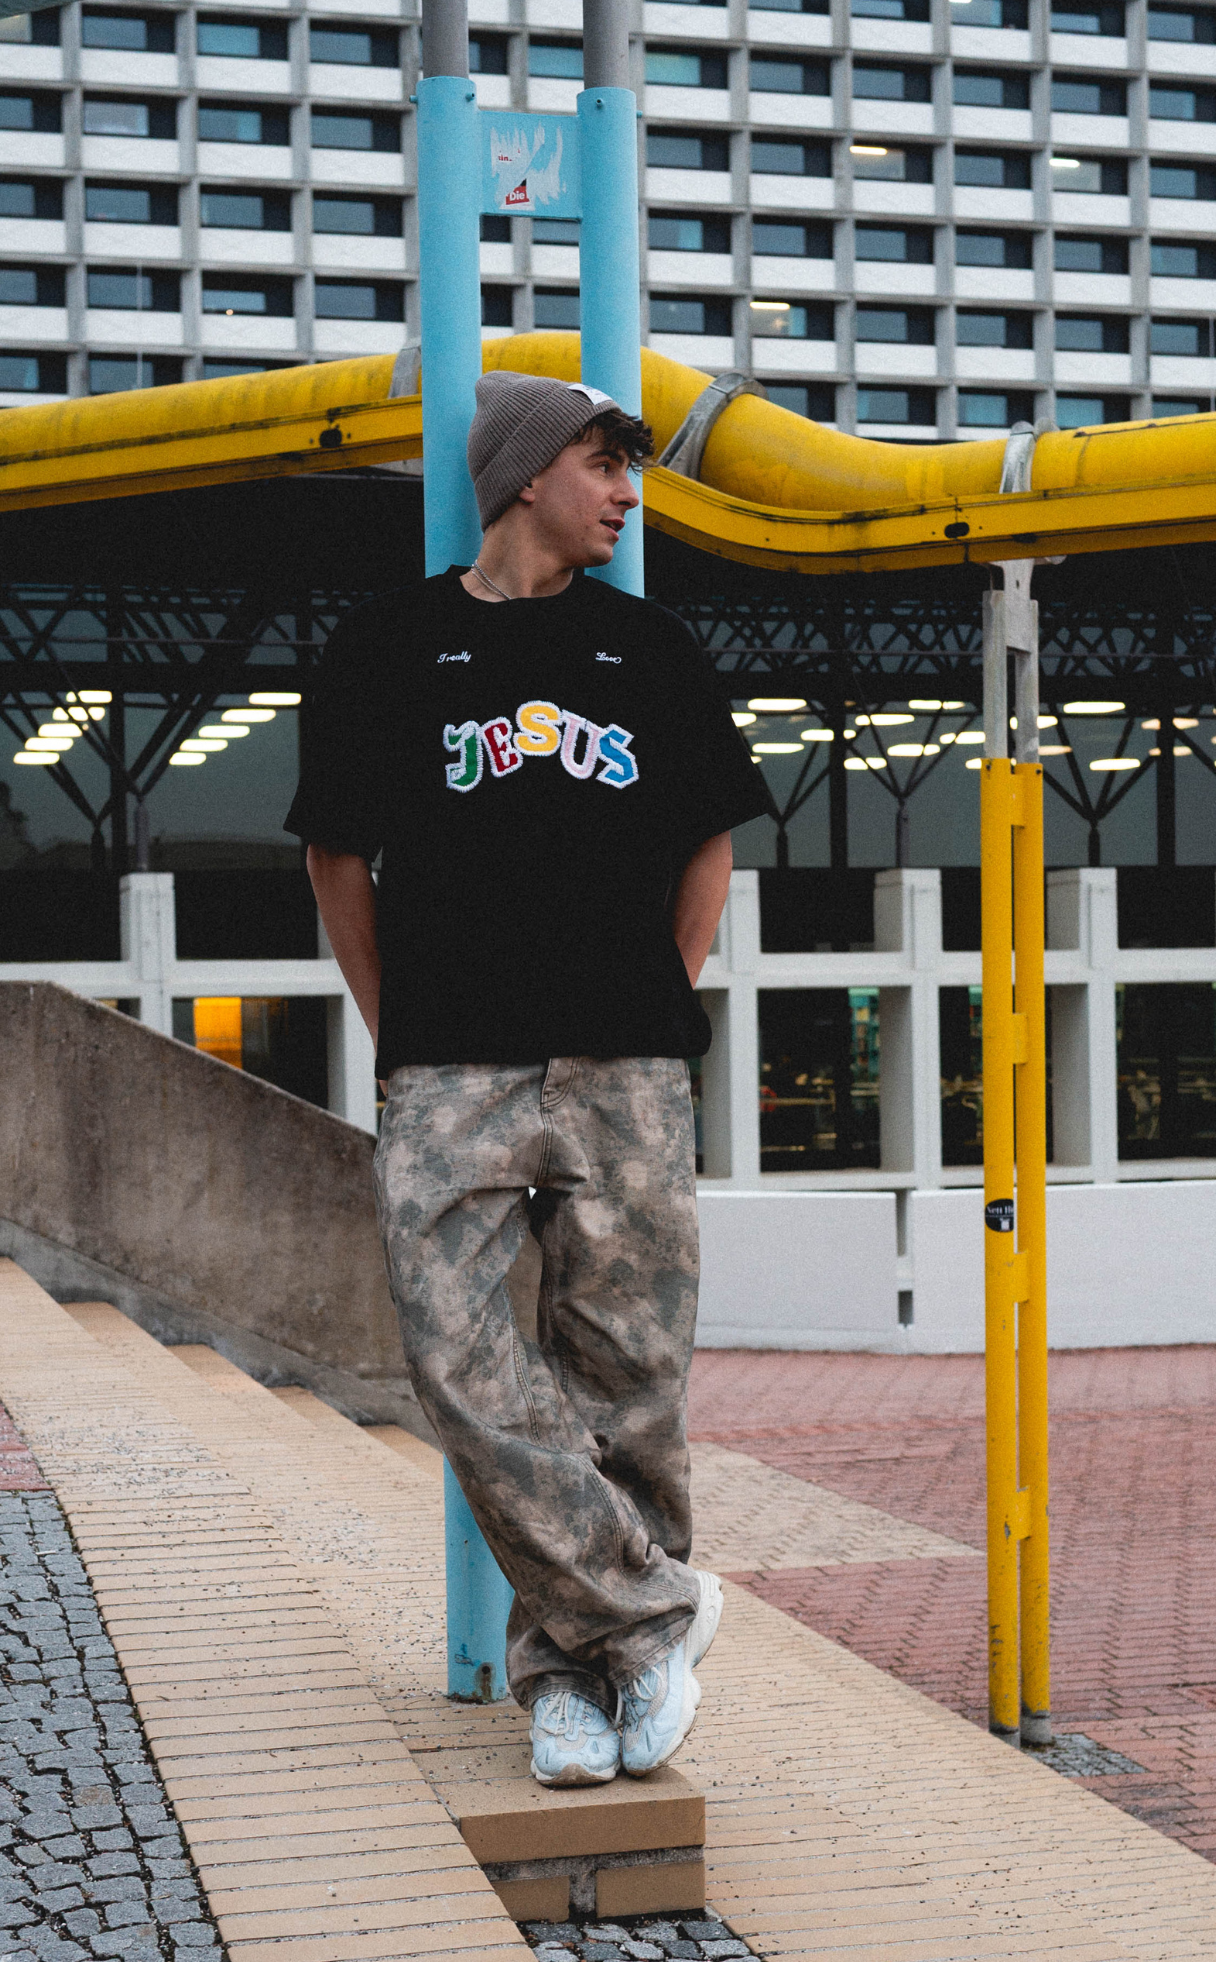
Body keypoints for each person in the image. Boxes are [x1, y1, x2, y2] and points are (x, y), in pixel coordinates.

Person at [286, 369, 770, 1787]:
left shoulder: (651, 648)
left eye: (630, 466)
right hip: (453, 1062)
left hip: (625, 1060)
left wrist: (659, 995)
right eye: (604, 464)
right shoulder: (387, 647)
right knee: (454, 1357)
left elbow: (708, 840)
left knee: (631, 1374)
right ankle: (652, 1615)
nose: (626, 493)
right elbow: (335, 855)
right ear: (524, 475)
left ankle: (574, 1680)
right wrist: (399, 1022)